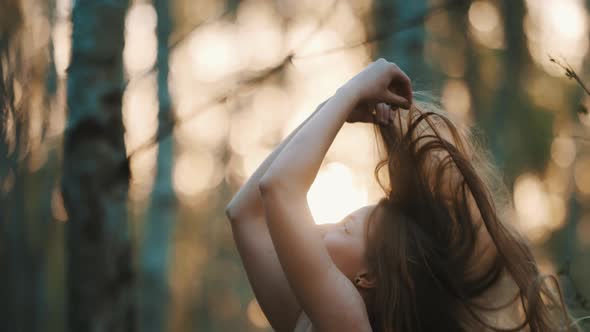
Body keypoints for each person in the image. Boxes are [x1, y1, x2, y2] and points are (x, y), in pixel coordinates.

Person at [225, 58, 574, 331]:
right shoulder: (310, 319)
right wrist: (334, 107)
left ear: (369, 277)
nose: (354, 215)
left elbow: (279, 190)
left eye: (357, 222)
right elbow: (245, 216)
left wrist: (350, 94)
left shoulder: (349, 324)